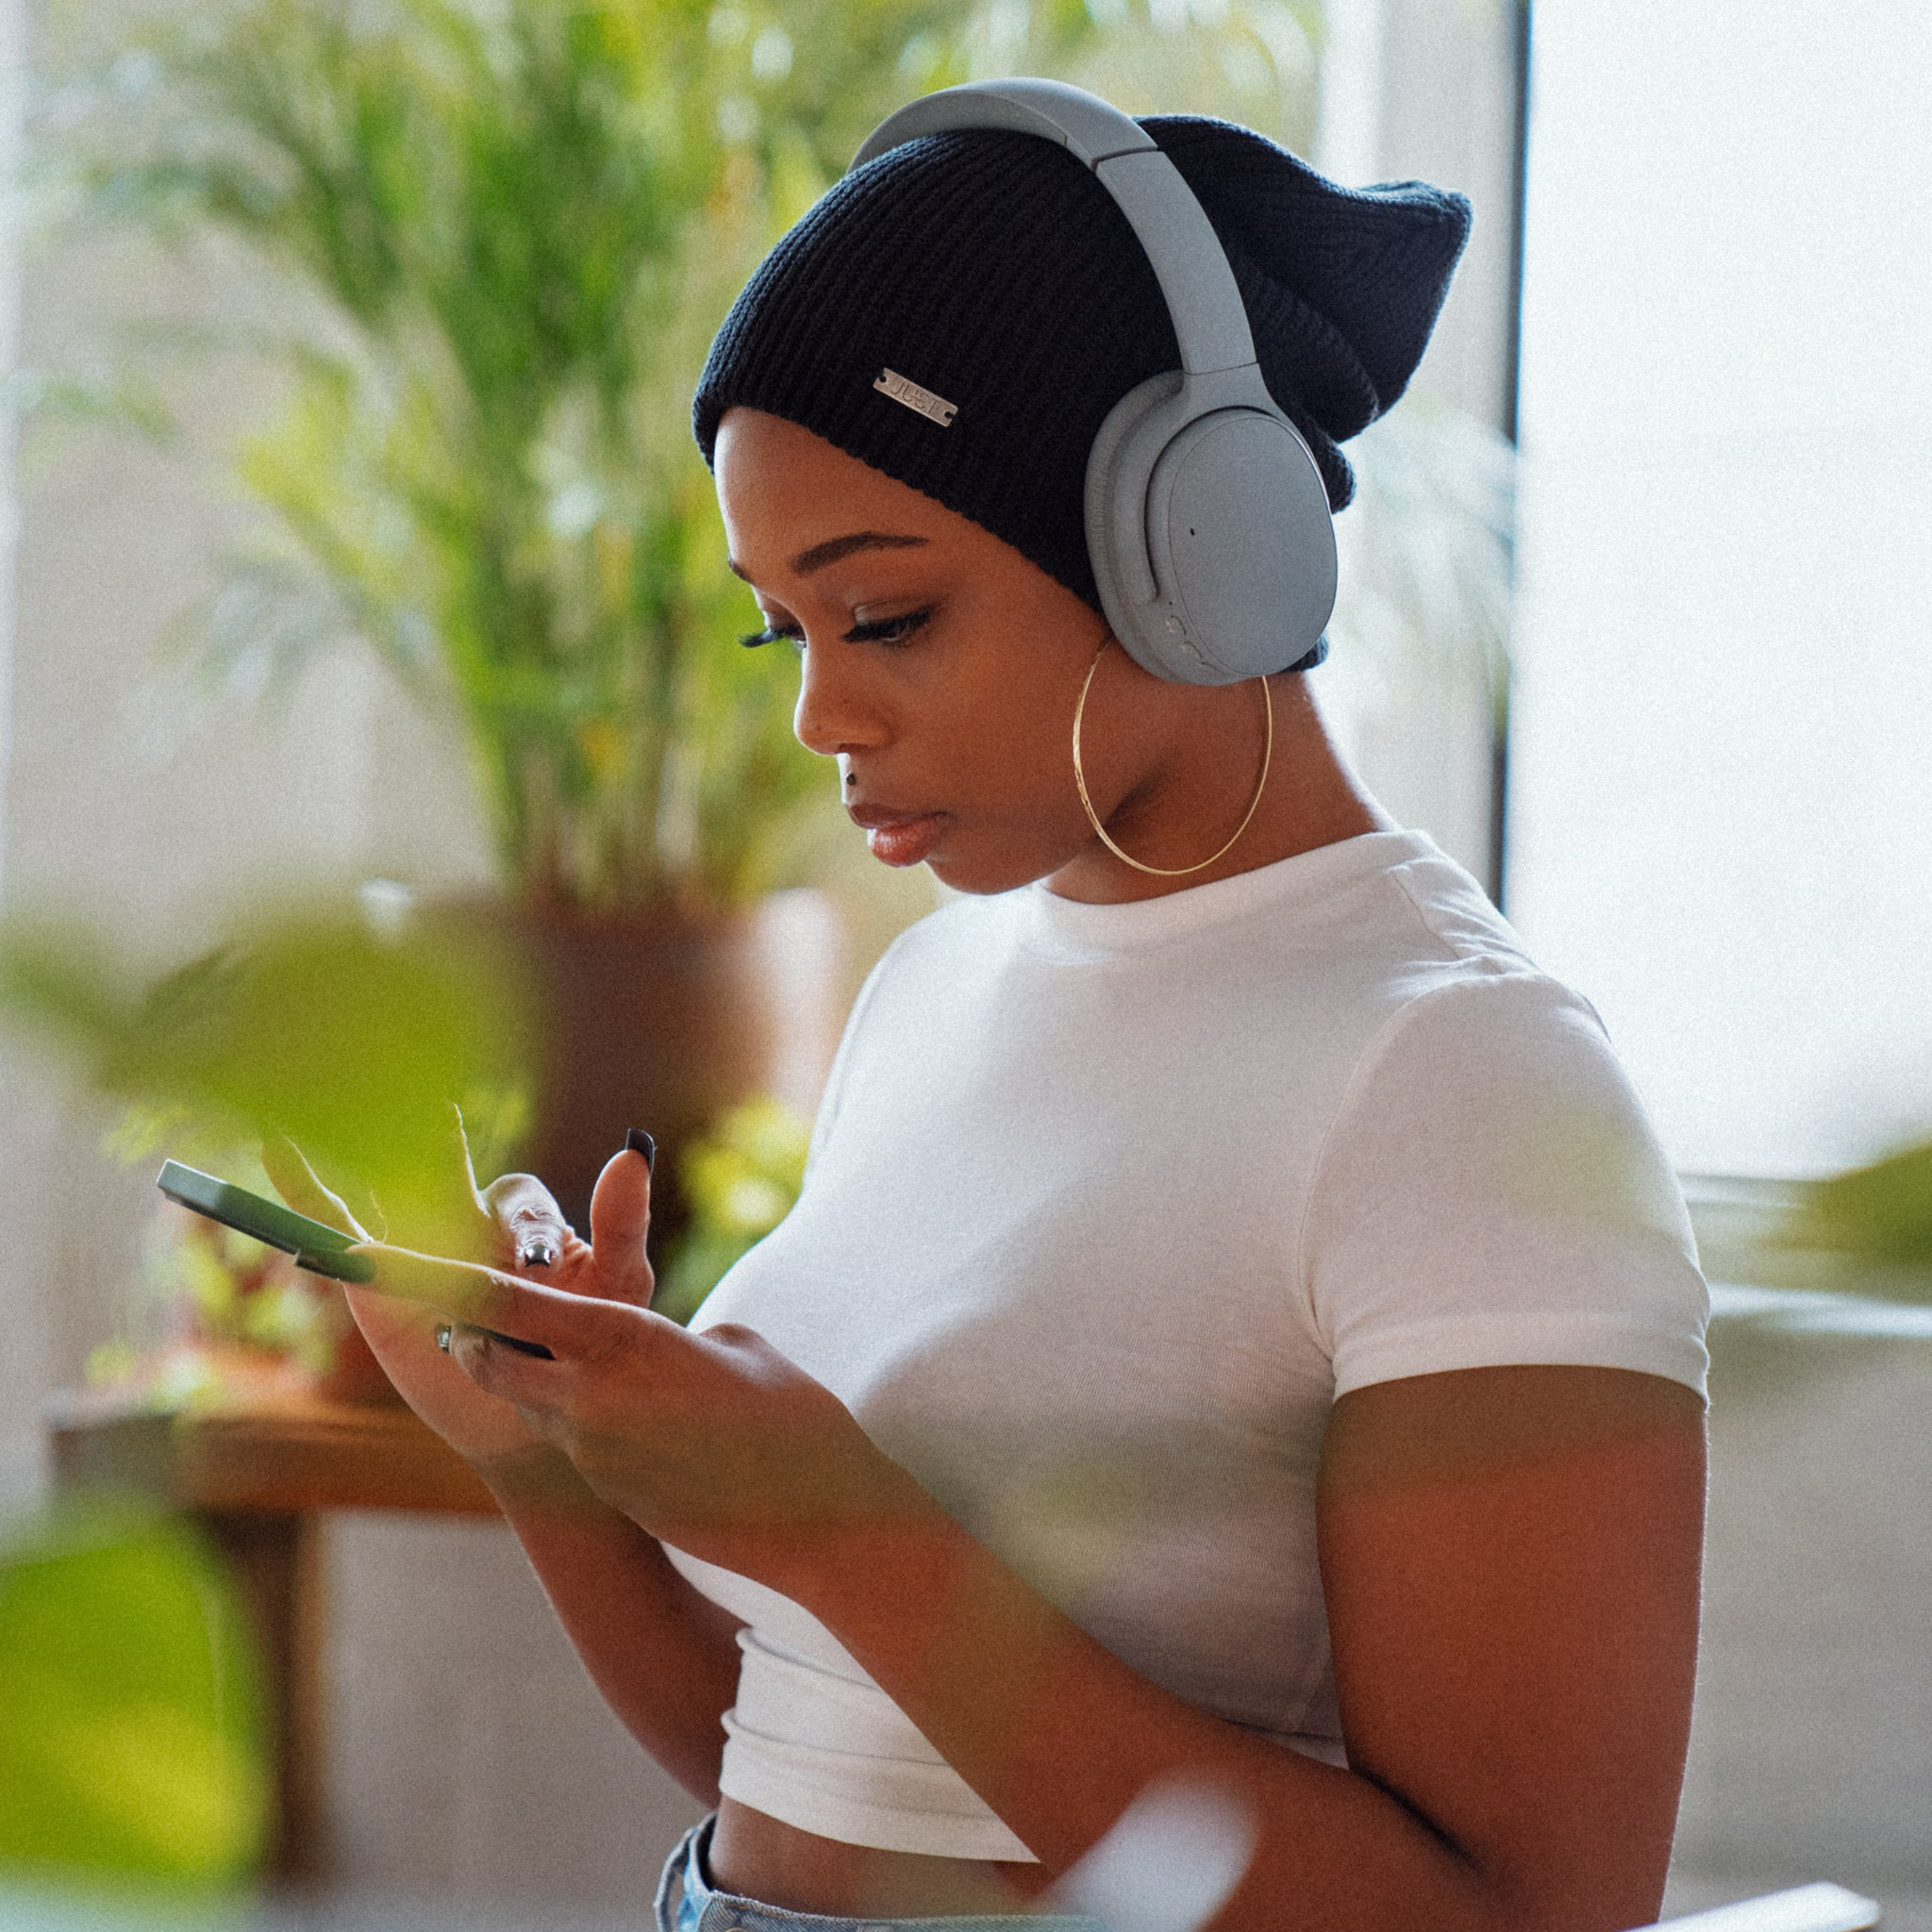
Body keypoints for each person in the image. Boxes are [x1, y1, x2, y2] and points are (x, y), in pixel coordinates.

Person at [267, 86, 1709, 1932]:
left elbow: (1532, 1916)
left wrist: (823, 1517)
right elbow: (781, 1754)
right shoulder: (938, 987)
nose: (818, 717)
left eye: (883, 617)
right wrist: (527, 1445)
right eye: (779, 627)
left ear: (1197, 545)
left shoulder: (1461, 1075)